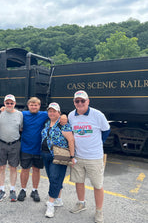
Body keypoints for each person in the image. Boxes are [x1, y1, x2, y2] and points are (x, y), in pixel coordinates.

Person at [68, 90, 110, 223]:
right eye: (77, 101)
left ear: (88, 101)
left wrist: (98, 144)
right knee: (79, 182)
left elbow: (106, 130)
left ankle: (99, 211)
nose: (80, 103)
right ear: (74, 102)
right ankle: (81, 203)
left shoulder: (98, 115)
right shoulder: (71, 115)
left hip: (94, 157)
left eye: (82, 100)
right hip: (78, 156)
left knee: (98, 185)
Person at [17, 97, 67, 202]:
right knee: (25, 169)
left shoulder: (44, 114)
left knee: (36, 169)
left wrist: (63, 116)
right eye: (31, 105)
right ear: (28, 105)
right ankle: (23, 189)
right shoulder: (23, 114)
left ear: (39, 106)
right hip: (25, 147)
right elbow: (11, 112)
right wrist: (2, 109)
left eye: (36, 105)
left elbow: (56, 114)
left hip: (39, 149)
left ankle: (34, 190)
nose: (34, 107)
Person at [41, 102, 75, 218]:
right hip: (46, 154)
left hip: (58, 156)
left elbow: (71, 140)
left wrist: (72, 156)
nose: (51, 113)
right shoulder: (47, 123)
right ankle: (58, 199)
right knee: (52, 178)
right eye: (50, 111)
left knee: (55, 178)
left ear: (59, 113)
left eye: (54, 111)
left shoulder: (63, 124)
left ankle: (50, 205)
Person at [0, 94, 23, 202]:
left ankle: (12, 190)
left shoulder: (19, 114)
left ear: (15, 104)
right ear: (4, 103)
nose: (9, 105)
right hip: (1, 143)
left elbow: (21, 128)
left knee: (13, 167)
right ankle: (2, 190)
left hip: (14, 144)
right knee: (1, 167)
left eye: (11, 103)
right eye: (7, 103)